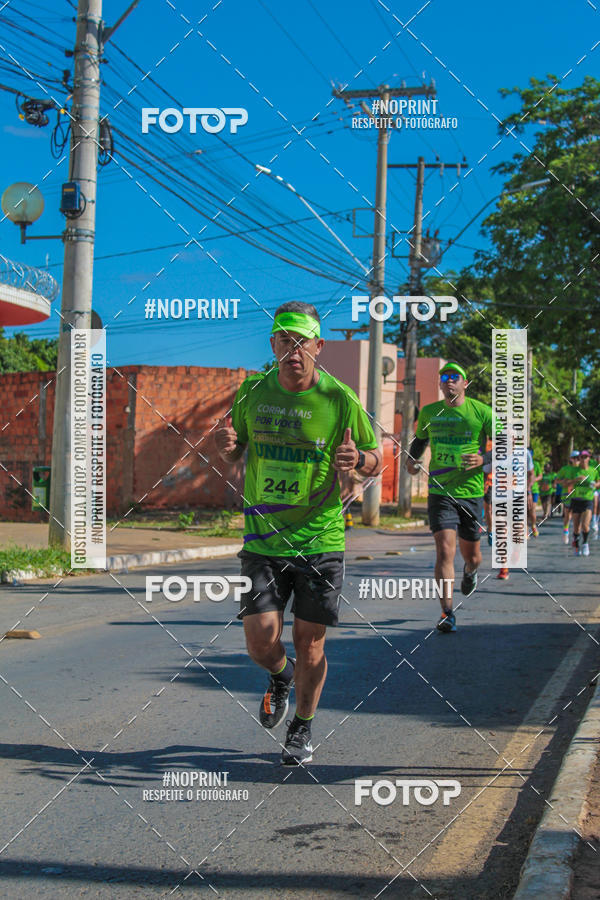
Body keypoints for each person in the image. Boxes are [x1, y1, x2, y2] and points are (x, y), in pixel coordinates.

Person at [215, 301, 381, 765]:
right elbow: (235, 449)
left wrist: (359, 463)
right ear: (273, 344)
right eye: (284, 340)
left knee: (311, 640)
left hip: (321, 540)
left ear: (318, 346)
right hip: (263, 541)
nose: (294, 349)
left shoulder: (339, 398)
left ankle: (302, 728)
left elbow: (374, 457)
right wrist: (226, 447)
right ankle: (280, 676)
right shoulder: (252, 393)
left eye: (303, 341)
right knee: (260, 640)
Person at [405, 361, 493, 633]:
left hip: (471, 492)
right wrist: (411, 461)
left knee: (473, 555)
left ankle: (470, 572)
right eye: (444, 377)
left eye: (455, 377)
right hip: (440, 492)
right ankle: (447, 612)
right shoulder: (431, 412)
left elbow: (508, 445)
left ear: (465, 383)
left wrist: (484, 459)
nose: (449, 381)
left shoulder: (481, 411)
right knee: (444, 550)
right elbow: (419, 442)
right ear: (440, 384)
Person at [571, 450, 599, 555]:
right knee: (576, 527)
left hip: (588, 499)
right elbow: (565, 483)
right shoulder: (575, 471)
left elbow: (598, 481)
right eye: (581, 457)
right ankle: (576, 544)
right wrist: (576, 480)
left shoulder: (593, 471)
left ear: (589, 458)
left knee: (585, 525)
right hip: (576, 499)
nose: (583, 459)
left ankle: (585, 543)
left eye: (585, 457)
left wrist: (595, 485)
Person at [556, 451, 580, 545]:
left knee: (576, 516)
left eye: (578, 458)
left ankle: (576, 533)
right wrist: (564, 482)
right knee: (568, 514)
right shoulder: (565, 469)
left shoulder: (581, 469)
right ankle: (566, 531)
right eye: (574, 458)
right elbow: (557, 480)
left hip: (579, 495)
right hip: (567, 494)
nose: (576, 460)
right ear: (571, 459)